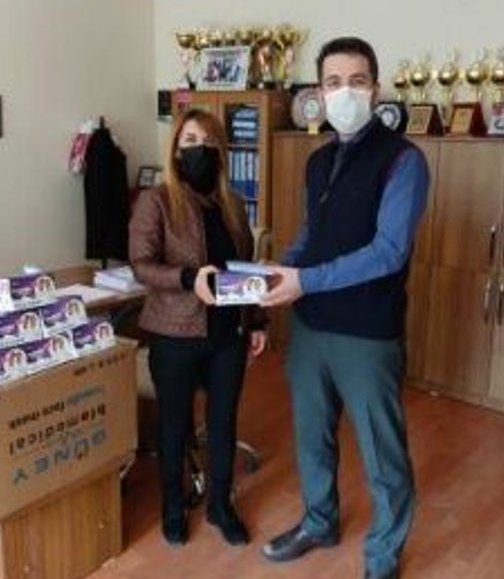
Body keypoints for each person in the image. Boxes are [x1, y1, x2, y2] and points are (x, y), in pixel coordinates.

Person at [259, 37, 429, 579]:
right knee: (312, 437)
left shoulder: (404, 159)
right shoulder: (318, 160)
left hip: (367, 334)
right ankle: (319, 522)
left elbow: (389, 251)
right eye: (334, 83)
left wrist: (305, 280)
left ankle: (382, 558)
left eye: (357, 81)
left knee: (383, 456)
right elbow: (313, 233)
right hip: (310, 327)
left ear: (375, 89)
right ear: (319, 91)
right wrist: (281, 269)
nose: (345, 92)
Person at [129, 109, 268, 547]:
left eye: (208, 141)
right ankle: (173, 508)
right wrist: (189, 278)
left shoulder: (233, 204)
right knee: (173, 427)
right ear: (175, 149)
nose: (199, 149)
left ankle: (220, 507)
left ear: (221, 150)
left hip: (227, 335)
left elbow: (243, 266)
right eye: (189, 140)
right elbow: (141, 265)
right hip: (175, 334)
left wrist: (257, 319)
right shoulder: (156, 201)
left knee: (223, 424)